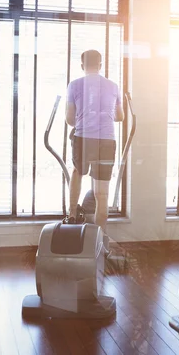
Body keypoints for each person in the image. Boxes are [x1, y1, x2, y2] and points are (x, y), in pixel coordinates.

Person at [65, 49, 124, 229]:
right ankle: (100, 237)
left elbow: (70, 120)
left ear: (82, 66)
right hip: (106, 141)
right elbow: (120, 117)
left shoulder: (74, 85)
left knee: (77, 171)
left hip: (83, 138)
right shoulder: (113, 86)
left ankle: (72, 214)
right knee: (102, 194)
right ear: (100, 65)